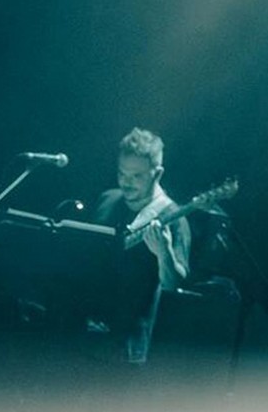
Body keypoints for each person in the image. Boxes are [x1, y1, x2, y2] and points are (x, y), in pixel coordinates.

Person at [90, 127, 191, 366]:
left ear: (157, 174)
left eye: (137, 176)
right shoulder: (107, 200)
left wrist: (163, 253)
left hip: (128, 347)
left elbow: (174, 284)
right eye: (122, 174)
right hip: (85, 332)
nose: (127, 183)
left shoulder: (173, 218)